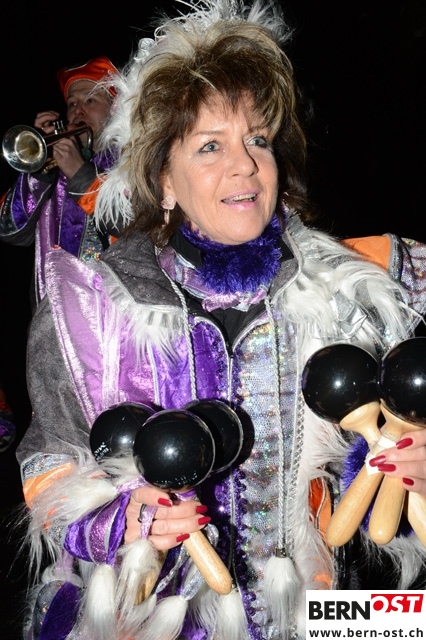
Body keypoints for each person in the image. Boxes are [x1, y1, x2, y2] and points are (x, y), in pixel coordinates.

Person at [15, 1, 426, 639]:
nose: (245, 164)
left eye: (257, 139)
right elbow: (47, 464)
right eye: (211, 145)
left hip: (319, 616)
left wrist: (411, 468)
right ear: (164, 180)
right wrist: (120, 519)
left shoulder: (360, 286)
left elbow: (381, 482)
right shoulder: (91, 309)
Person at [0, 56, 119, 307]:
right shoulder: (53, 166)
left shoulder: (130, 162)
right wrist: (38, 171)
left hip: (113, 316)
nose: (78, 110)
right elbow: (9, 229)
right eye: (72, 103)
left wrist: (81, 176)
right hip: (51, 319)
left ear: (114, 109)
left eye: (90, 100)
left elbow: (139, 227)